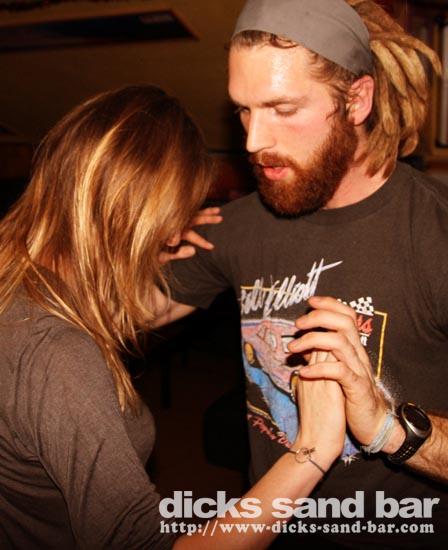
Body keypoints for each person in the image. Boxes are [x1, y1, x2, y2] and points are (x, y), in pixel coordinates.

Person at [0, 85, 349, 549]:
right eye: (170, 215)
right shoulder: (60, 358)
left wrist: (149, 252)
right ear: (131, 212)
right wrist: (313, 449)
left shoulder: (16, 282)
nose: (171, 239)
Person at [162, 1, 448, 548]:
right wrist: (139, 235)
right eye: (244, 111)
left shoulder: (435, 234)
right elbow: (122, 310)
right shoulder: (239, 224)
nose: (253, 140)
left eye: (283, 109)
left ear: (356, 100)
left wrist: (387, 429)